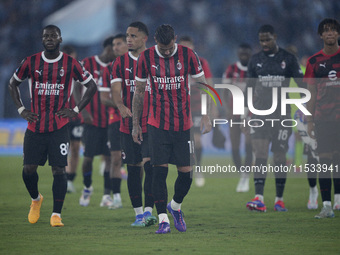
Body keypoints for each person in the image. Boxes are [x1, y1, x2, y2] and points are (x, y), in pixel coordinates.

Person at [8, 25, 97, 226]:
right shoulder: (30, 62)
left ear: (60, 39)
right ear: (42, 40)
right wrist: (21, 109)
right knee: (29, 169)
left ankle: (56, 214)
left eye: (53, 36)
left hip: (58, 127)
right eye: (46, 36)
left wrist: (75, 109)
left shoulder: (71, 63)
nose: (49, 38)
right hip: (35, 126)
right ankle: (36, 199)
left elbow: (91, 85)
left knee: (59, 170)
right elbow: (13, 83)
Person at [132, 24, 212, 234]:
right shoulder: (146, 58)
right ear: (155, 41)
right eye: (163, 48)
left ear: (175, 39)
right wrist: (136, 124)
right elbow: (139, 93)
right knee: (158, 173)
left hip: (183, 125)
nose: (167, 52)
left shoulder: (189, 55)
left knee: (186, 175)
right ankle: (163, 219)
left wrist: (206, 114)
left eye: (170, 48)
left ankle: (175, 206)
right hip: (157, 124)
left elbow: (204, 85)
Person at [244, 24, 305, 212]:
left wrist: (303, 109)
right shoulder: (255, 61)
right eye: (261, 40)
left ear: (275, 37)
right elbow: (249, 90)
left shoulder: (288, 59)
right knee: (260, 154)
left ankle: (279, 199)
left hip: (282, 116)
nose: (264, 43)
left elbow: (303, 86)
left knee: (279, 157)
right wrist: (247, 113)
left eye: (267, 39)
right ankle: (259, 198)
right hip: (260, 115)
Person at [111, 21, 157, 226]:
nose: (128, 40)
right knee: (132, 168)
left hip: (154, 123)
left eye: (133, 36)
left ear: (144, 38)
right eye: (127, 36)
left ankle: (149, 211)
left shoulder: (155, 59)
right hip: (128, 124)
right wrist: (120, 106)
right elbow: (116, 91)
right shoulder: (119, 63)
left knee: (152, 168)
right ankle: (138, 214)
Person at [305, 18, 340, 218]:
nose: (329, 33)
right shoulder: (313, 62)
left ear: (338, 34)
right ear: (320, 35)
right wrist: (309, 120)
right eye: (326, 31)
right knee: (325, 161)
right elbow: (311, 92)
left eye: (333, 30)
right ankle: (326, 205)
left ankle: (337, 200)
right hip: (323, 118)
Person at [78, 36, 116, 207]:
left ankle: (107, 195)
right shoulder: (87, 63)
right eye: (113, 49)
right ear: (108, 49)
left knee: (109, 159)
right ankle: (87, 188)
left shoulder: (116, 67)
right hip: (91, 121)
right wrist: (82, 109)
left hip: (110, 121)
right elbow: (75, 87)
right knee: (87, 159)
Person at [178, 35, 213, 188]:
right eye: (182, 47)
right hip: (179, 108)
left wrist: (209, 111)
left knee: (197, 140)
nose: (185, 50)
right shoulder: (174, 63)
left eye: (188, 47)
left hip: (198, 107)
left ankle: (197, 168)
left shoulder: (201, 63)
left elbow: (208, 86)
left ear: (193, 47)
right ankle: (187, 168)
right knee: (185, 141)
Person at [100, 34, 128, 209]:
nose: (115, 47)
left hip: (139, 119)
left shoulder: (140, 65)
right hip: (116, 120)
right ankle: (116, 196)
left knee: (138, 162)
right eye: (114, 45)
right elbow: (104, 98)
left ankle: (137, 196)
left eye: (119, 44)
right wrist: (122, 105)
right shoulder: (108, 69)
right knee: (115, 158)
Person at [222, 43, 253, 192]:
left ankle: (246, 176)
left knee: (249, 143)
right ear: (238, 54)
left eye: (246, 53)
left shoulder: (255, 69)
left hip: (251, 113)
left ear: (250, 54)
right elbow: (225, 91)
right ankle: (242, 174)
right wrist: (227, 109)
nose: (244, 56)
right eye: (242, 53)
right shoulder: (231, 69)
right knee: (235, 147)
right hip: (234, 113)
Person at [61, 44, 83, 193]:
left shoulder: (80, 69)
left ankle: (70, 180)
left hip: (76, 116)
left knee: (75, 148)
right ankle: (62, 178)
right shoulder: (57, 70)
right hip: (61, 115)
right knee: (63, 149)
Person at [294, 109, 318, 210]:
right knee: (312, 157)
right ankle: (313, 191)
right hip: (309, 116)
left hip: (329, 115)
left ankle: (336, 197)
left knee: (333, 157)